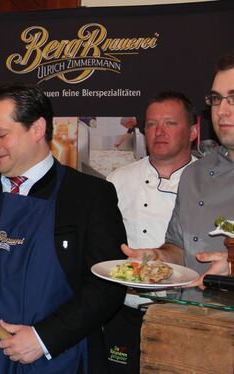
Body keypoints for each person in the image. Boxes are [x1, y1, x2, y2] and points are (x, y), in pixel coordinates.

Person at [0, 83, 126, 373]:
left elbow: (107, 286)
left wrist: (44, 337)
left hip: (54, 358)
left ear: (37, 129)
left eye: (2, 135)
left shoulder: (89, 195)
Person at [104, 91, 198, 373]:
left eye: (170, 123)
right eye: (152, 124)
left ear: (193, 131)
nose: (159, 132)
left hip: (186, 317)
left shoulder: (209, 184)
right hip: (124, 314)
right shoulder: (118, 180)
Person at [123, 52, 234, 284]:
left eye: (233, 98)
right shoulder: (195, 173)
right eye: (216, 99)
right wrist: (158, 256)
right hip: (186, 314)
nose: (222, 110)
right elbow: (180, 249)